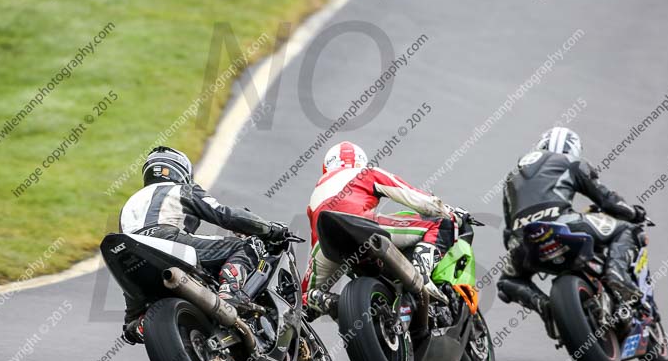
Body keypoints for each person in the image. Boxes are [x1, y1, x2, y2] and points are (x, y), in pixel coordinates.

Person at [118, 147, 289, 344]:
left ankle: (140, 325)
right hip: (168, 240)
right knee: (244, 245)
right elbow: (225, 215)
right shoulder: (181, 189)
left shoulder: (127, 205)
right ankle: (230, 292)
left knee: (133, 317)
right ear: (181, 171)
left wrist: (131, 316)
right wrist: (270, 229)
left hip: (131, 259)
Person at [497, 127, 647, 330]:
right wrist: (634, 213)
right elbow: (608, 201)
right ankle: (616, 275)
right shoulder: (572, 163)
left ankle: (543, 305)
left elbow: (508, 232)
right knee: (628, 230)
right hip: (563, 224)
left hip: (523, 240)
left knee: (507, 280)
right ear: (574, 149)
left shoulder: (511, 177)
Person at [301, 141, 464, 320]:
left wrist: (304, 289)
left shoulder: (316, 192)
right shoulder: (367, 173)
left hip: (326, 244)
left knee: (303, 300)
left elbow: (315, 235)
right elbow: (413, 197)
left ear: (327, 167)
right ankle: (421, 274)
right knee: (442, 224)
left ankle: (323, 300)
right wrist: (448, 211)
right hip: (363, 225)